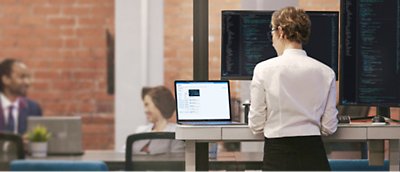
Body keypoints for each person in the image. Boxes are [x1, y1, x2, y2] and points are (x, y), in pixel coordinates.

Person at [248, 7, 338, 171]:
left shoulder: (263, 69)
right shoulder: (326, 72)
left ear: (281, 31)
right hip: (314, 157)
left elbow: (256, 125)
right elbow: (329, 126)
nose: (272, 38)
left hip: (278, 157)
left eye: (272, 31)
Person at [132, 86, 184, 154]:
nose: (145, 110)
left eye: (147, 105)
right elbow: (124, 155)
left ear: (159, 104)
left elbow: (178, 161)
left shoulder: (176, 133)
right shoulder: (140, 130)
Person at [0, 58, 42, 135]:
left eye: (28, 77)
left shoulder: (33, 108)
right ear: (6, 79)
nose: (27, 82)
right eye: (22, 77)